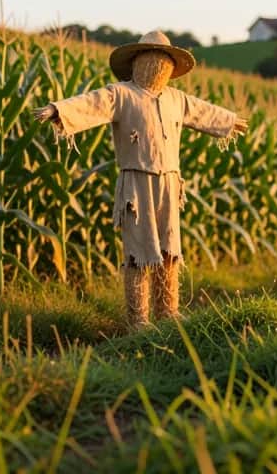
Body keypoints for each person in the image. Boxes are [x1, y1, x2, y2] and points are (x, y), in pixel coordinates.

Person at [34, 30, 248, 328]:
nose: (157, 64)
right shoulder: (121, 94)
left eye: (163, 59)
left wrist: (228, 120)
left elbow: (202, 111)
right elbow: (92, 103)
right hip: (136, 183)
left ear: (171, 65)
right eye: (151, 58)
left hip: (170, 182)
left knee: (169, 247)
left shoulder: (176, 98)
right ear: (137, 62)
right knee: (138, 251)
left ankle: (168, 312)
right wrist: (58, 110)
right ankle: (138, 319)